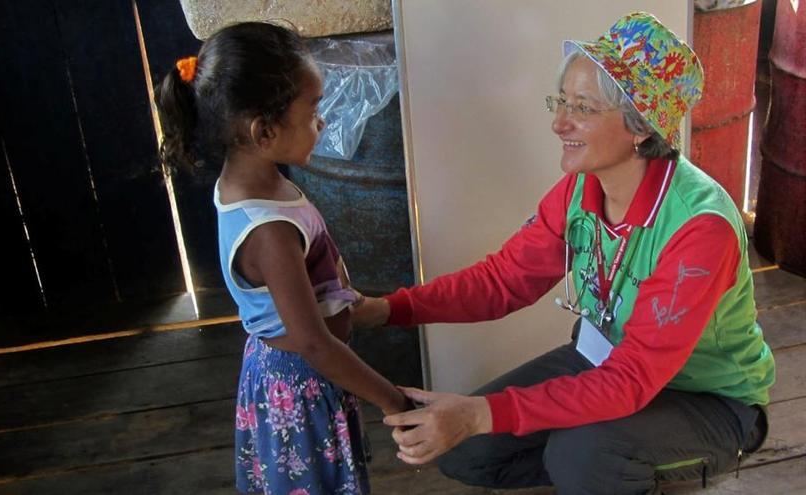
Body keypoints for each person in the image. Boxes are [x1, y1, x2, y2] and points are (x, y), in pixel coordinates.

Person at [353, 12, 775, 494]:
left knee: (581, 453)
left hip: (708, 398)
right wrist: (388, 309)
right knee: (468, 451)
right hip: (606, 360)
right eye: (561, 101)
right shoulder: (580, 189)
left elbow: (633, 378)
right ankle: (610, 467)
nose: (559, 122)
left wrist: (480, 414)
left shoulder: (700, 228)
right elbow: (503, 282)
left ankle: (616, 464)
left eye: (584, 108)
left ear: (640, 125)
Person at [154, 22, 411, 494]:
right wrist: (393, 401)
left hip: (297, 374)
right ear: (264, 130)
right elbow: (314, 343)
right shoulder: (268, 230)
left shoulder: (251, 182)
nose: (323, 122)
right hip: (302, 383)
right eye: (313, 109)